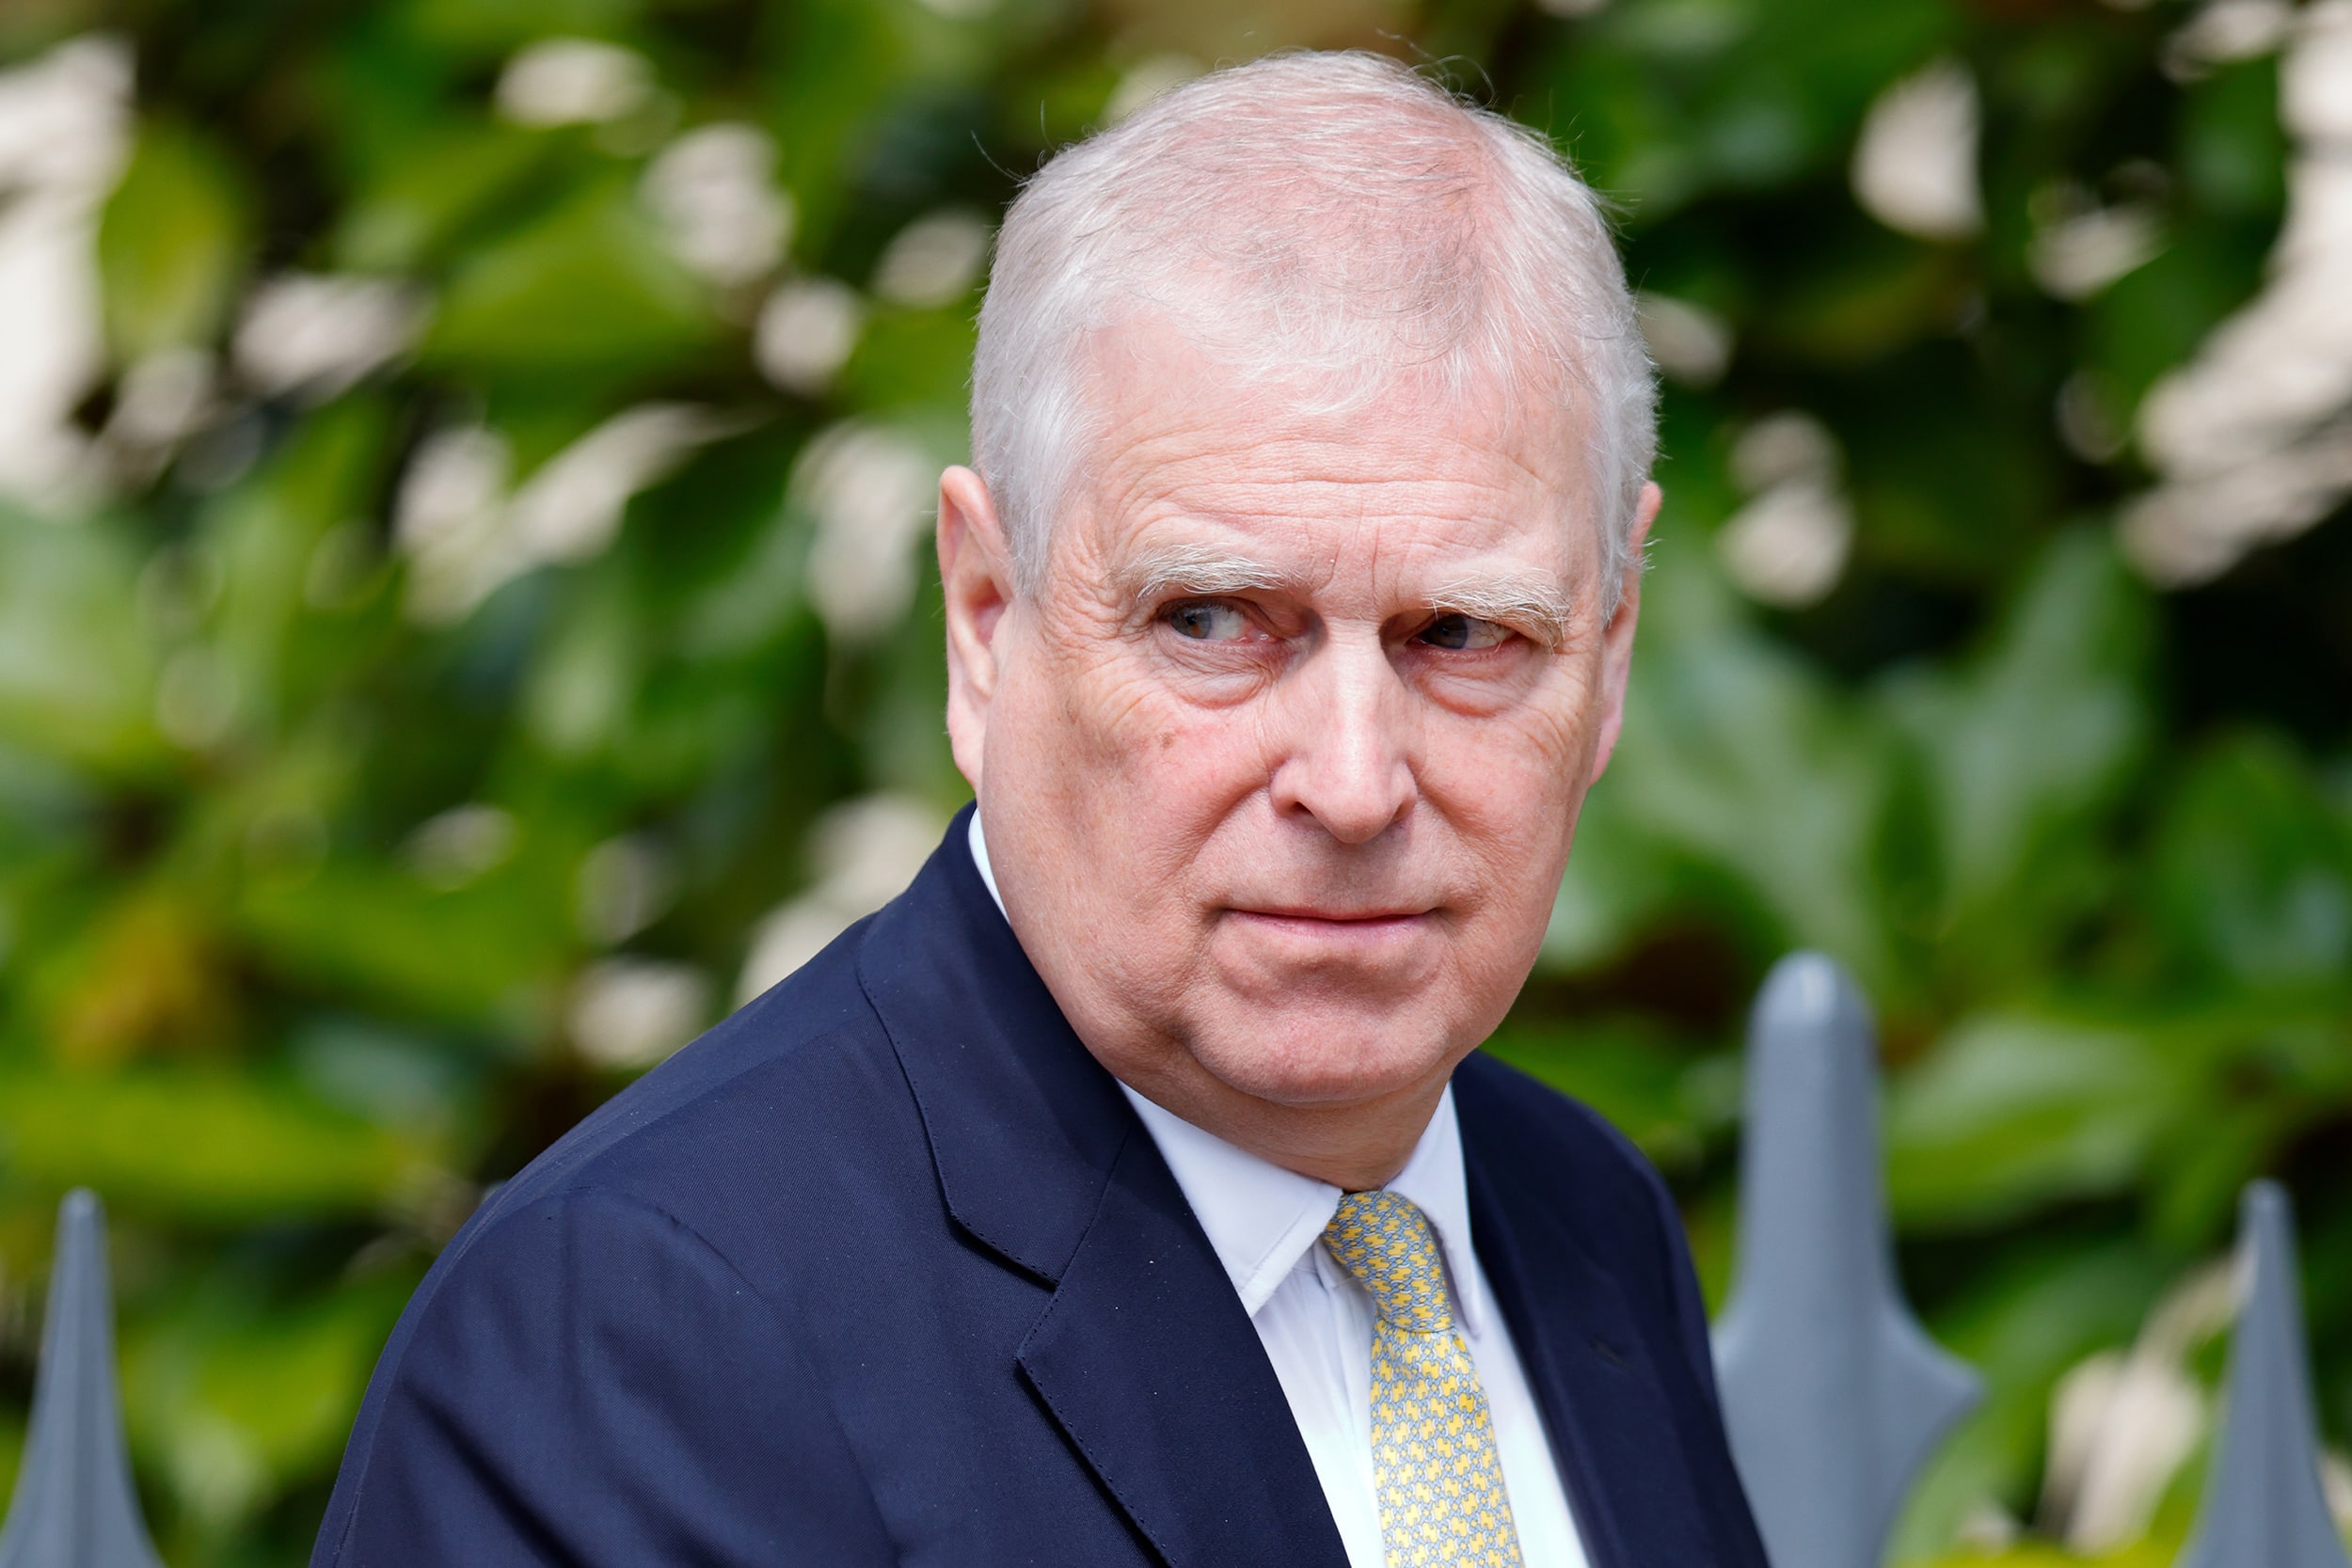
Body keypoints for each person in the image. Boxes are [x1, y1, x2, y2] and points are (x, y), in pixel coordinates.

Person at [312, 50, 1769, 1568]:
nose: (1350, 783)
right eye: (1213, 621)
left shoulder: (1580, 1217)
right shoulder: (634, 1339)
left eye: (1463, 635)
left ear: (1606, 657)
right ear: (984, 621)